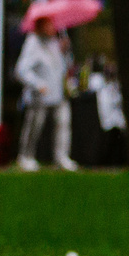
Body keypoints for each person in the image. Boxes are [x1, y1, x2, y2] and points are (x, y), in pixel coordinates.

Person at [14, 10, 76, 172]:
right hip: (39, 95)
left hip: (58, 92)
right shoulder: (33, 43)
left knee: (63, 124)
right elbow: (21, 70)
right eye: (48, 24)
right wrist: (37, 84)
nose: (52, 27)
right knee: (35, 125)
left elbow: (64, 67)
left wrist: (66, 51)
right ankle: (25, 156)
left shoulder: (56, 42)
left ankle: (61, 156)